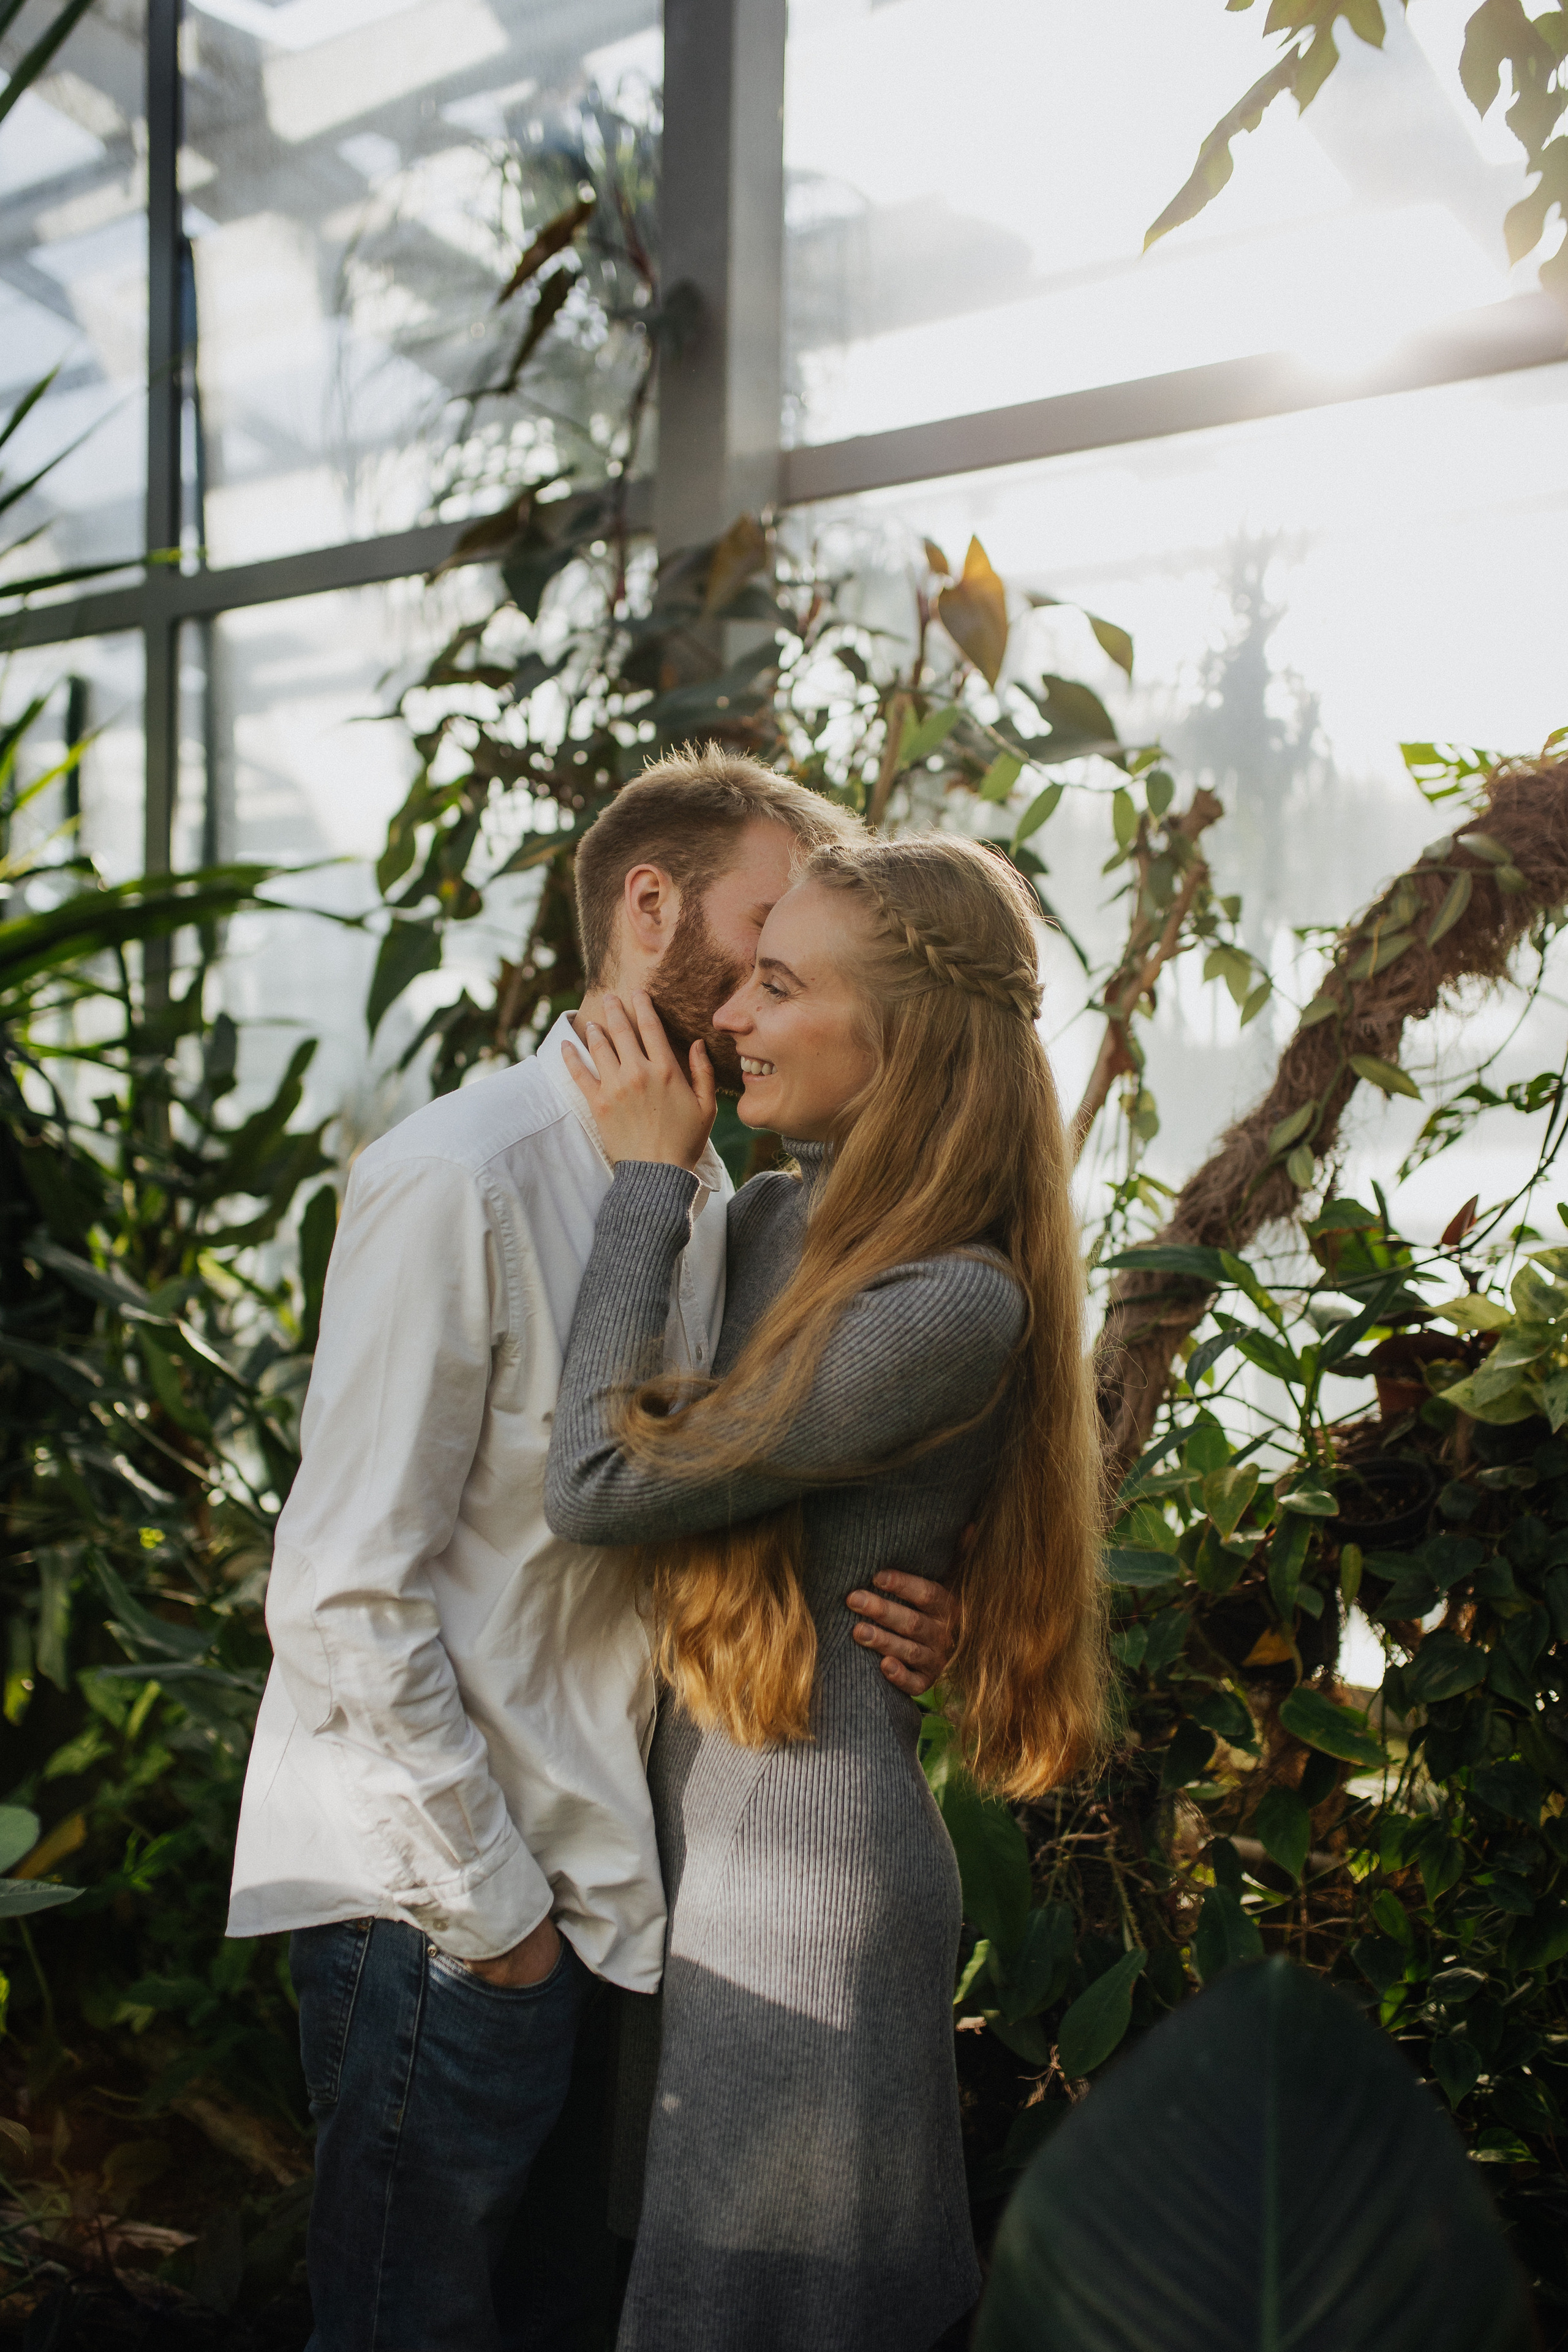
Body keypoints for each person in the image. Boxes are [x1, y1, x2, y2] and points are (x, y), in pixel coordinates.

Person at [225, 747, 963, 2352]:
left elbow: (718, 1496)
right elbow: (341, 1591)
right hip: (444, 1908)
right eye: (762, 934)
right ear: (649, 906)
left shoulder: (698, 1189)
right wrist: (493, 1918)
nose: (769, 988)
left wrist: (914, 1598)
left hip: (605, 1898)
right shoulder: (462, 1175)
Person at [545, 830, 1109, 2352]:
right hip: (705, 1859)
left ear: (905, 1038)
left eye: (779, 987)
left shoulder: (947, 1299)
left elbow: (596, 1485)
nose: (729, 1014)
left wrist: (646, 1183)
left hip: (802, 1886)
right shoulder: (778, 1216)